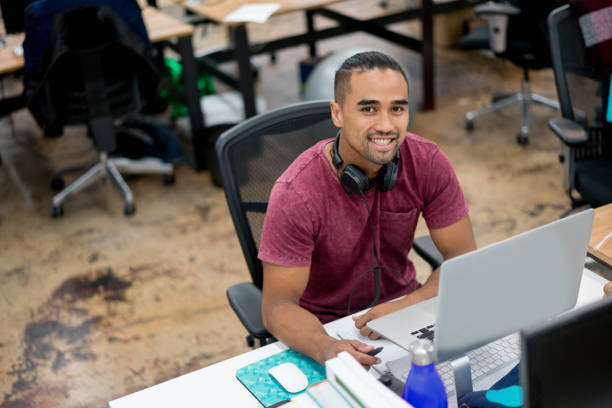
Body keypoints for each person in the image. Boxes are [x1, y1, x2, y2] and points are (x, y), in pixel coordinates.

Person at [259, 51, 477, 369]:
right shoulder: (296, 192)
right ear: (337, 113)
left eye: (397, 109)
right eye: (369, 109)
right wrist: (327, 348)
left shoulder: (427, 162)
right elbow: (277, 306)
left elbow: (464, 260)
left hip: (408, 311)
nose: (386, 126)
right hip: (327, 328)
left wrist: (410, 304)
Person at [22, 0, 150, 75]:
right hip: (126, 89)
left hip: (62, 100)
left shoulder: (39, 12)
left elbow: (33, 69)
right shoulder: (124, 3)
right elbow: (145, 50)